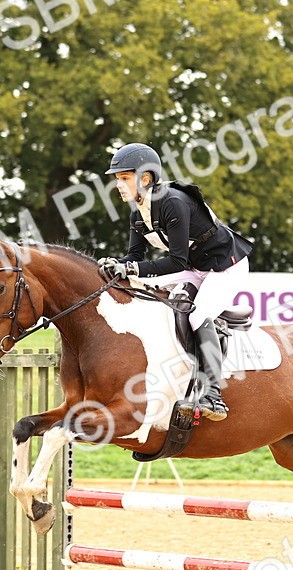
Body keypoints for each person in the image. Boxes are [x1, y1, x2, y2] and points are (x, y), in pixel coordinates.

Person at [96, 143, 253, 422]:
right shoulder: (138, 213)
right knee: (135, 285)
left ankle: (212, 394)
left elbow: (176, 261)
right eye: (117, 179)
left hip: (224, 266)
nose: (118, 186)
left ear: (145, 179)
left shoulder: (172, 202)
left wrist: (131, 267)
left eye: (123, 178)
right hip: (194, 267)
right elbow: (135, 256)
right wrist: (119, 267)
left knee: (198, 315)